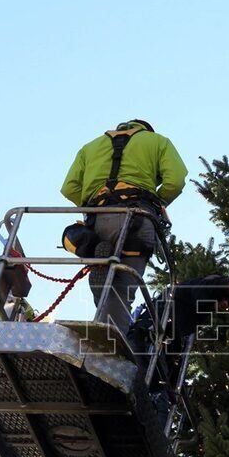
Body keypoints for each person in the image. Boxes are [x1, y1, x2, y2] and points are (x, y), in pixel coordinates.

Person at [61, 119, 188, 342]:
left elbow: (69, 187)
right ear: (145, 130)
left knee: (105, 280)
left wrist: (91, 204)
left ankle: (99, 258)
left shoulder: (91, 146)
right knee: (122, 287)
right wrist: (157, 204)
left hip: (98, 219)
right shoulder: (157, 141)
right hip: (136, 218)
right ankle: (111, 344)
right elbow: (175, 181)